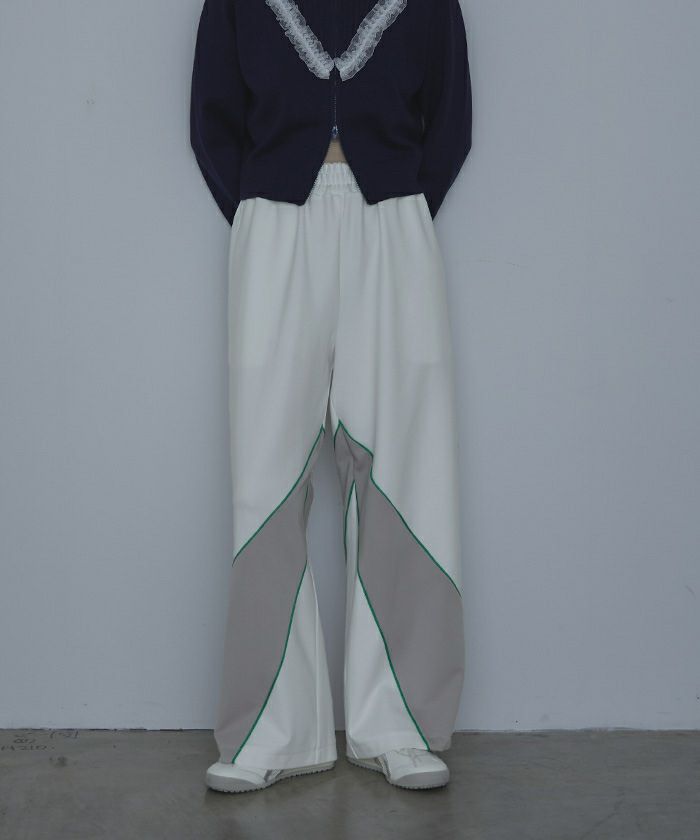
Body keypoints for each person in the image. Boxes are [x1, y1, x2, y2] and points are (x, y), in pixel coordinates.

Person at [189, 0, 473, 793]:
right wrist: (264, 211)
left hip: (394, 226)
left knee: (403, 470)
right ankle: (269, 732)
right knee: (267, 472)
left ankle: (401, 725)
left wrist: (398, 210)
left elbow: (450, 123)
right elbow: (212, 119)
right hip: (274, 227)